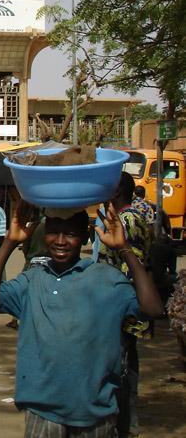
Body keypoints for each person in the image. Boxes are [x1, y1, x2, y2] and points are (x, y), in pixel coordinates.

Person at [0, 201, 164, 436]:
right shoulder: (33, 279)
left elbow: (153, 309)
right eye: (53, 232)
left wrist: (124, 249)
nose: (61, 241)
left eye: (71, 234)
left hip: (95, 411)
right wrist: (10, 242)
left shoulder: (107, 279)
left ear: (85, 238)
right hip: (43, 409)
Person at [98, 173, 153, 437]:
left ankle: (125, 425)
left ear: (117, 189)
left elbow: (129, 268)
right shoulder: (130, 218)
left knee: (122, 370)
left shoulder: (127, 220)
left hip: (122, 311)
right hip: (124, 307)